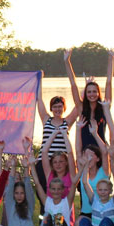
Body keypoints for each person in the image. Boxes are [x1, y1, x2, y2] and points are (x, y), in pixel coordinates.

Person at [33, 49, 83, 188]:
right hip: (44, 162)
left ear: (64, 108)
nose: (57, 109)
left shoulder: (67, 122)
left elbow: (79, 106)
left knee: (63, 192)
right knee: (44, 191)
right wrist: (40, 80)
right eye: (55, 107)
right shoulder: (46, 119)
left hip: (62, 164)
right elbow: (39, 100)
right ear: (51, 109)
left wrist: (83, 92)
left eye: (60, 107)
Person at [67, 49, 114, 149]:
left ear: (98, 93)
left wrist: (111, 59)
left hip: (101, 151)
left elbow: (109, 82)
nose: (91, 94)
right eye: (89, 92)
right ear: (85, 93)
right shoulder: (81, 108)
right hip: (85, 152)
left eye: (94, 91)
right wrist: (67, 61)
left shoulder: (104, 107)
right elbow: (73, 84)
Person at [73, 154, 114, 226]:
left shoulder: (113, 202)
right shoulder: (94, 201)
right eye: (100, 190)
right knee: (84, 221)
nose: (103, 192)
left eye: (106, 190)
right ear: (97, 190)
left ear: (110, 191)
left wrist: (113, 160)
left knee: (106, 221)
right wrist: (86, 166)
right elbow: (85, 182)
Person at [4, 148, 38, 226]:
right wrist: (13, 167)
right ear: (13, 194)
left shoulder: (29, 204)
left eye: (22, 193)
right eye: (17, 193)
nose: (19, 196)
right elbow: (10, 184)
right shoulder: (10, 204)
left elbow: (27, 184)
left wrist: (26, 168)